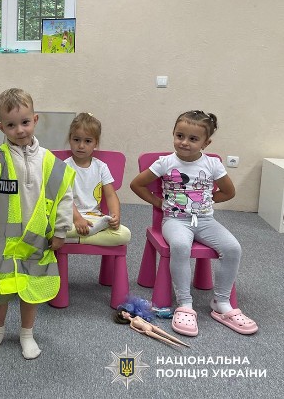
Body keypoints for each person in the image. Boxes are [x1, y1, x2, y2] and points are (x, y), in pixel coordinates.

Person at [0, 88, 75, 359]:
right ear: (1, 127)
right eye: (11, 125)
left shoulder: (50, 161)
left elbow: (64, 196)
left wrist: (61, 230)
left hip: (35, 242)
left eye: (25, 122)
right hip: (2, 244)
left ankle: (27, 334)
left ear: (35, 120)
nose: (20, 130)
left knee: (31, 290)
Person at [130, 110, 258, 336]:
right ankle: (185, 304)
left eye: (193, 139)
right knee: (180, 246)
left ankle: (221, 302)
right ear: (173, 134)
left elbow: (229, 191)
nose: (184, 142)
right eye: (179, 136)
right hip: (175, 221)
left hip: (206, 220)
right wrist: (158, 202)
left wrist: (206, 201)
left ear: (205, 143)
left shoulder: (212, 164)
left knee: (233, 248)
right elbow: (136, 184)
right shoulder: (165, 163)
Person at [64, 113, 131, 246]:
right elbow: (64, 197)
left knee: (125, 235)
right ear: (70, 139)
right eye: (76, 140)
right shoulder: (64, 166)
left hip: (94, 219)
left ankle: (76, 239)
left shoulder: (101, 167)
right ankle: (88, 235)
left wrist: (115, 215)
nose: (81, 145)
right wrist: (77, 219)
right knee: (51, 228)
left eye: (87, 141)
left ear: (96, 143)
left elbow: (111, 195)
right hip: (70, 218)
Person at [114, 309, 189, 348]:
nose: (127, 313)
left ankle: (183, 343)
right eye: (124, 313)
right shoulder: (131, 324)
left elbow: (145, 321)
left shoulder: (137, 317)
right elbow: (138, 330)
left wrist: (153, 326)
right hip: (147, 330)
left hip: (150, 326)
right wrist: (144, 332)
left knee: (166, 334)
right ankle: (175, 345)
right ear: (124, 317)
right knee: (161, 338)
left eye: (125, 312)